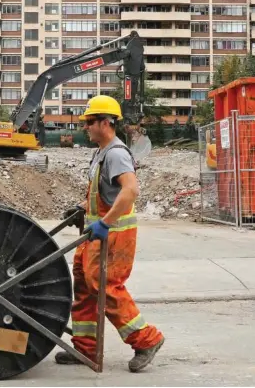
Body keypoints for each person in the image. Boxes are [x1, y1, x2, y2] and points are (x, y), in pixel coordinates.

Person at [55, 95, 164, 372]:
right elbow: (104, 192)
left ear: (106, 122)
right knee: (83, 284)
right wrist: (81, 208)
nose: (86, 127)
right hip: (96, 234)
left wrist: (104, 222)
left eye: (90, 122)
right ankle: (85, 348)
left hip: (113, 235)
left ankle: (146, 340)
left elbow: (130, 190)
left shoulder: (116, 153)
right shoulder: (102, 152)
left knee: (104, 285)